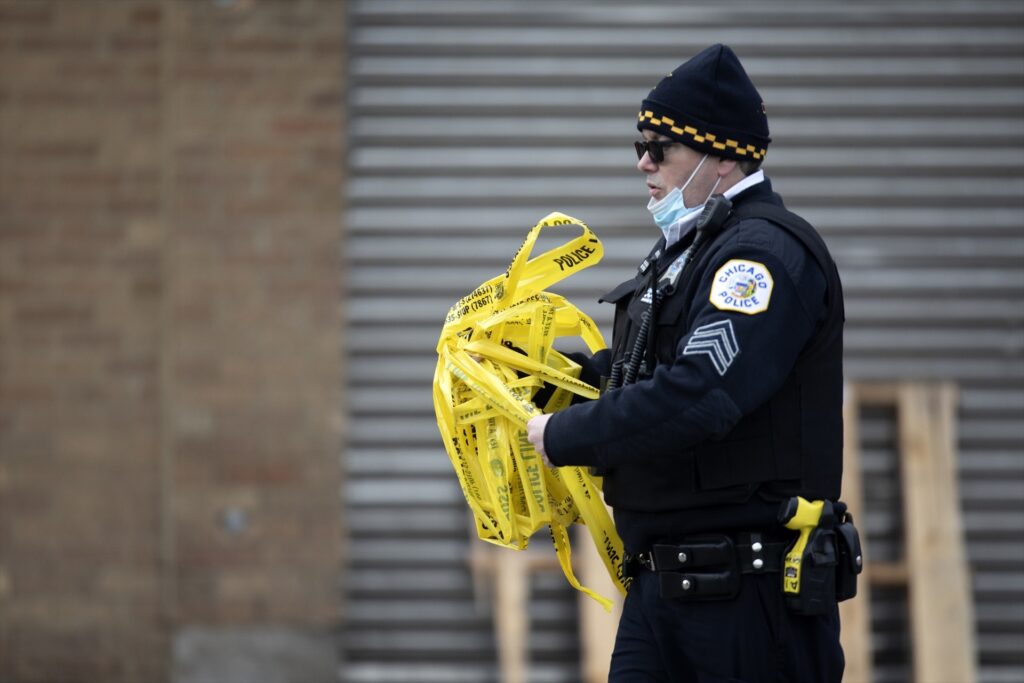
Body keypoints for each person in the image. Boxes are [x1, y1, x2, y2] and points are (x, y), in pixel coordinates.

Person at [526, 44, 847, 682]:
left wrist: (561, 436)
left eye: (661, 147)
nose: (644, 162)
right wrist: (545, 381)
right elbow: (644, 373)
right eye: (639, 145)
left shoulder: (760, 259)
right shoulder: (692, 250)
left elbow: (699, 392)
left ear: (721, 155)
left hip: (745, 606)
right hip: (664, 591)